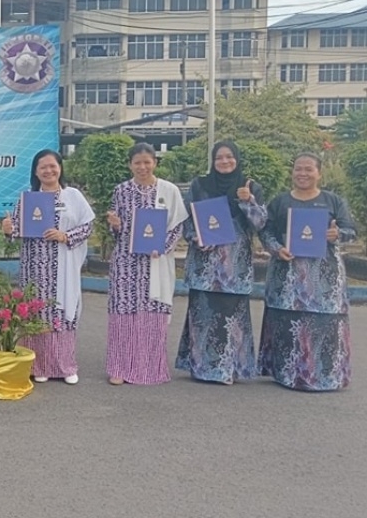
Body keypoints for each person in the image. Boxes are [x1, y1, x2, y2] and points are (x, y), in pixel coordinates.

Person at [257, 153, 356, 391]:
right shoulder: (280, 202)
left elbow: (351, 229)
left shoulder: (333, 201)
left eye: (308, 169)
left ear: (319, 173)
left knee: (324, 324)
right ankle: (288, 375)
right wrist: (276, 248)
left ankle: (326, 376)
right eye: (298, 169)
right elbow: (265, 230)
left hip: (324, 277)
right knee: (288, 323)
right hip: (287, 274)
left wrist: (337, 234)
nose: (302, 173)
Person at [176, 141, 267, 385]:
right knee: (203, 316)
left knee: (232, 317)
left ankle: (230, 369)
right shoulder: (200, 185)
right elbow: (186, 219)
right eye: (219, 158)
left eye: (229, 157)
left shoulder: (249, 186)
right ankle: (202, 368)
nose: (224, 161)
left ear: (237, 159)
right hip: (205, 264)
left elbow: (260, 224)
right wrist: (196, 237)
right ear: (213, 161)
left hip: (235, 267)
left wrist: (248, 201)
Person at [1, 149, 95, 384]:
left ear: (60, 168)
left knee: (63, 310)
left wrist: (65, 236)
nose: (49, 171)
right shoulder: (27, 199)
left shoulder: (73, 196)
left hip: (63, 265)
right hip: (35, 268)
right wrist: (8, 230)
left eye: (53, 166)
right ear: (35, 171)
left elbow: (88, 227)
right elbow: (15, 232)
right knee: (37, 312)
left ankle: (65, 366)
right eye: (43, 167)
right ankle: (39, 365)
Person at [105, 142, 187, 386]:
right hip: (126, 263)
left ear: (155, 163)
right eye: (137, 162)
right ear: (130, 164)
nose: (142, 166)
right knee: (124, 313)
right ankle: (119, 367)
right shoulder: (121, 190)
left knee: (152, 313)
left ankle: (150, 368)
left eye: (147, 162)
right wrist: (115, 225)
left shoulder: (169, 190)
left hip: (155, 261)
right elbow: (115, 228)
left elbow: (178, 225)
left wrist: (161, 246)